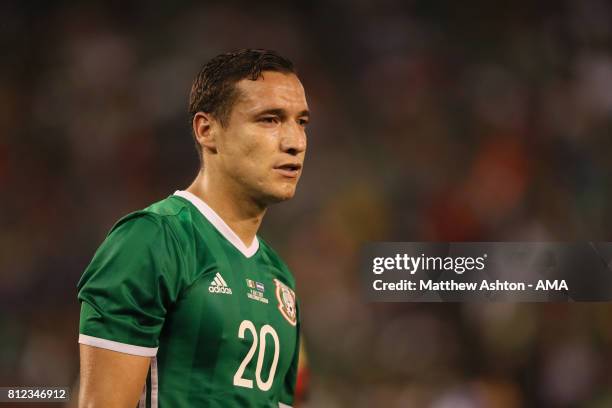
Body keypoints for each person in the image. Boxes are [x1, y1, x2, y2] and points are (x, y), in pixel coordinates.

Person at [77, 49, 309, 407]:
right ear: (206, 130)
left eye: (302, 122)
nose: (295, 142)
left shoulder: (281, 280)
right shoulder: (152, 241)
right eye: (270, 120)